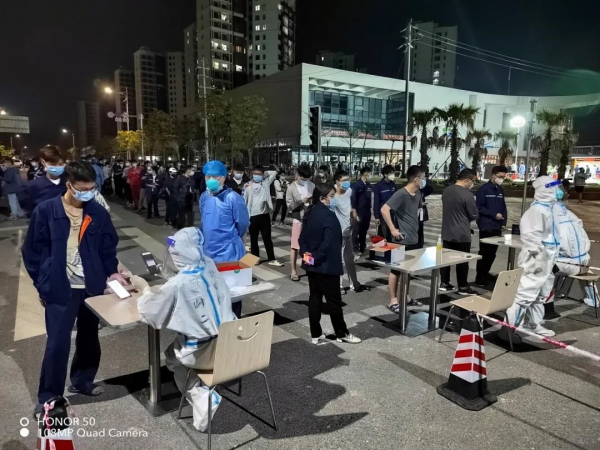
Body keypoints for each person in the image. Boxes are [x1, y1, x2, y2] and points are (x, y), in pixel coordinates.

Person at [22, 161, 125, 417]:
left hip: (91, 287)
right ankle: (49, 397)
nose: (88, 193)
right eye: (83, 189)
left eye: (92, 188)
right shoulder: (46, 211)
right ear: (69, 185)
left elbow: (107, 248)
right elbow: (32, 252)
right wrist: (42, 283)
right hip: (60, 289)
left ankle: (82, 380)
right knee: (57, 344)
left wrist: (113, 272)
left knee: (89, 338)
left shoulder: (97, 213)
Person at [135, 227, 236, 430]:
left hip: (202, 352)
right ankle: (202, 383)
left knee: (172, 357)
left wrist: (144, 288)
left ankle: (202, 397)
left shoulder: (178, 284)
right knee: (184, 353)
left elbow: (151, 312)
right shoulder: (209, 264)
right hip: (232, 344)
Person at [299, 183, 361, 345]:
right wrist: (316, 257)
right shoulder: (329, 216)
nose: (334, 199)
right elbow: (328, 243)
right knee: (334, 302)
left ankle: (316, 334)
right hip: (326, 266)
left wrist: (307, 257)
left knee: (315, 298)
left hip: (312, 264)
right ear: (322, 198)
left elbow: (302, 237)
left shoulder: (310, 212)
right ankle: (342, 333)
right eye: (332, 197)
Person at [504, 177, 563, 337]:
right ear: (546, 189)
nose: (559, 191)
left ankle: (533, 324)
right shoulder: (537, 210)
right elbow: (530, 236)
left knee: (541, 294)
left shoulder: (550, 209)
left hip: (547, 258)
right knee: (525, 294)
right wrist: (538, 258)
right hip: (537, 258)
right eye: (555, 187)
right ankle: (509, 328)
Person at [200, 161, 250, 315]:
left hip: (230, 253)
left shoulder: (233, 198)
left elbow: (243, 224)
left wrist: (230, 239)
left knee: (233, 294)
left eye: (215, 177)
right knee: (212, 293)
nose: (211, 180)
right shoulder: (204, 197)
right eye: (207, 176)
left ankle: (233, 323)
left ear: (223, 177)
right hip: (209, 252)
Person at [380, 165, 425, 312]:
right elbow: (384, 209)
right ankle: (393, 300)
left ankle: (405, 296)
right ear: (416, 179)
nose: (424, 180)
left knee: (408, 270)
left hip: (414, 238)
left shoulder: (418, 194)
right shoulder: (401, 194)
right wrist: (393, 229)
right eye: (423, 178)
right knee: (396, 271)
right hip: (400, 240)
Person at [439, 169, 478, 294]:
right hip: (462, 233)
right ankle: (463, 286)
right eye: (473, 181)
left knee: (446, 259)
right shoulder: (467, 195)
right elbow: (473, 214)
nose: (473, 184)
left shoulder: (446, 191)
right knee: (462, 261)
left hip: (447, 231)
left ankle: (444, 283)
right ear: (467, 180)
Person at [552, 200, 598, 307]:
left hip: (569, 266)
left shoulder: (556, 228)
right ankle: (594, 299)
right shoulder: (576, 225)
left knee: (548, 266)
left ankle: (552, 295)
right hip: (585, 262)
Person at [333, 171, 369, 293]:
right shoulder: (332, 195)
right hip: (338, 232)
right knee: (339, 260)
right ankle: (338, 286)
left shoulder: (348, 191)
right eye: (344, 180)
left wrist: (354, 214)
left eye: (348, 179)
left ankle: (354, 284)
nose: (347, 182)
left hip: (349, 229)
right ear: (337, 182)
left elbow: (351, 206)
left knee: (349, 258)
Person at [244, 165, 284, 266]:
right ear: (252, 173)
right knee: (254, 239)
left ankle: (272, 259)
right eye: (255, 173)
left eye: (259, 174)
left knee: (267, 238)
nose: (256, 175)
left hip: (264, 215)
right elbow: (244, 200)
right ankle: (255, 259)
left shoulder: (265, 182)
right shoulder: (247, 185)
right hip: (252, 216)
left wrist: (265, 173)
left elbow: (274, 172)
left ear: (262, 175)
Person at [475, 165, 508, 286]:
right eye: (500, 176)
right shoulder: (484, 189)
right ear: (493, 175)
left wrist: (503, 222)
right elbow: (478, 207)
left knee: (492, 253)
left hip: (496, 227)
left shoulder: (500, 190)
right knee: (484, 252)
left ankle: (486, 273)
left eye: (503, 177)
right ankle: (480, 276)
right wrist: (494, 215)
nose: (501, 179)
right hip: (486, 226)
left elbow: (503, 207)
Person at [285, 165, 314, 280]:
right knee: (295, 246)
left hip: (310, 220)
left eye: (307, 179)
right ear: (298, 175)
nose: (305, 181)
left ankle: (309, 266)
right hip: (298, 219)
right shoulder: (291, 188)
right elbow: (289, 206)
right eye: (303, 179)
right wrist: (301, 201)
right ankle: (293, 271)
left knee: (309, 245)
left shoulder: (311, 185)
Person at [28, 146, 67, 211]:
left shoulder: (69, 183)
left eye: (60, 164)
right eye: (53, 164)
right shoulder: (34, 185)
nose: (57, 167)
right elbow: (32, 209)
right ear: (43, 162)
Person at [351, 166, 373, 255]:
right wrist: (354, 211)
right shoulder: (356, 185)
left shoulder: (368, 185)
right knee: (356, 230)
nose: (370, 175)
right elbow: (353, 199)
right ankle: (355, 247)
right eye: (369, 173)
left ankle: (362, 246)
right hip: (359, 211)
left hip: (367, 211)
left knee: (364, 229)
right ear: (365, 173)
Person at [373, 165, 397, 240]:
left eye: (393, 173)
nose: (392, 175)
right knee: (383, 233)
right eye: (391, 173)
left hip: (392, 212)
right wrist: (376, 216)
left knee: (391, 232)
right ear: (385, 174)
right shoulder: (379, 186)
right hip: (383, 214)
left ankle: (390, 244)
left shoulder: (393, 184)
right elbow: (376, 201)